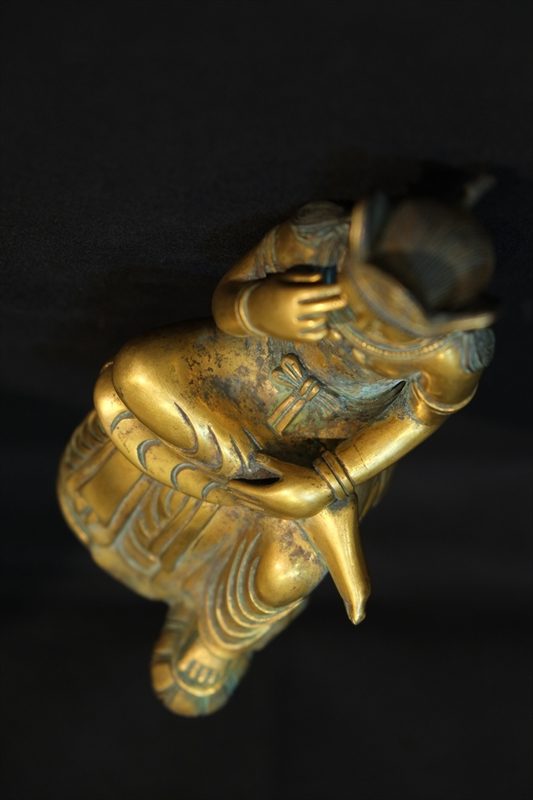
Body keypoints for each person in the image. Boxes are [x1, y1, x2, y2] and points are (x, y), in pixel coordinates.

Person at [58, 190, 496, 715]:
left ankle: (221, 635)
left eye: (392, 332)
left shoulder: (451, 356)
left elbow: (417, 417)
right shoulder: (314, 244)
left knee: (291, 572)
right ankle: (277, 496)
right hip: (232, 389)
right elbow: (228, 303)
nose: (364, 333)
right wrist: (260, 307)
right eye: (363, 303)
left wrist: (330, 481)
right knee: (130, 375)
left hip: (326, 448)